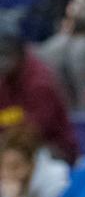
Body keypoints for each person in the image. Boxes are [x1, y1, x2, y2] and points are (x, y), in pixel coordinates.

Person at [0, 33, 77, 163]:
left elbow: (35, 131)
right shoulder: (5, 77)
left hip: (52, 148)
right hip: (11, 143)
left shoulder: (40, 82)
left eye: (7, 56)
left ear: (20, 54)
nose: (3, 62)